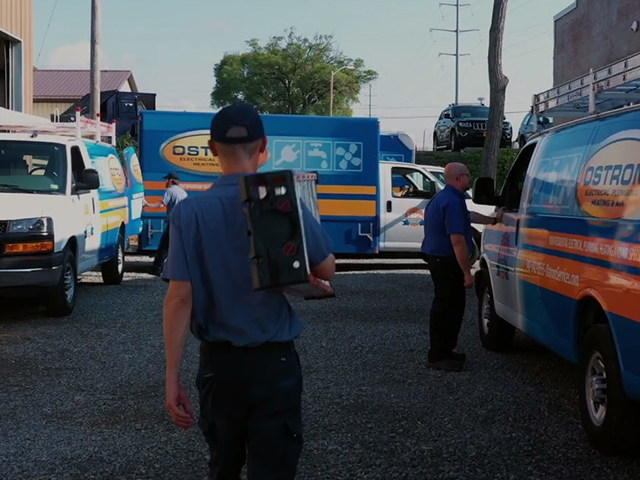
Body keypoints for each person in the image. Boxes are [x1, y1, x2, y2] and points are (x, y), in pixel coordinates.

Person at [161, 104, 336, 480]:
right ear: (264, 147)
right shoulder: (280, 201)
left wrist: (172, 374)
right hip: (275, 365)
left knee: (222, 466)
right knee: (273, 469)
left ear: (211, 148)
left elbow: (179, 296)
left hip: (219, 368)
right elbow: (327, 269)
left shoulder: (189, 213)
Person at [422, 162, 504, 372]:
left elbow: (468, 217)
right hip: (447, 262)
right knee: (448, 308)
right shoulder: (452, 201)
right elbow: (457, 240)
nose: (470, 179)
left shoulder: (444, 198)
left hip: (437, 259)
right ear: (458, 178)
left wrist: (493, 220)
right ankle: (439, 356)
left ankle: (444, 351)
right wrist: (467, 273)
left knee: (446, 306)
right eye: (468, 175)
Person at [144, 172, 188, 275]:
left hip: (174, 223)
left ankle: (157, 269)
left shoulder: (170, 191)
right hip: (184, 222)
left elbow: (161, 204)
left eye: (166, 180)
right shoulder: (183, 192)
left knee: (164, 246)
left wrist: (147, 204)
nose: (165, 182)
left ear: (171, 180)